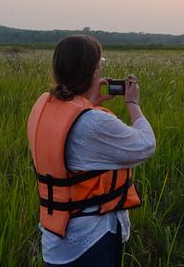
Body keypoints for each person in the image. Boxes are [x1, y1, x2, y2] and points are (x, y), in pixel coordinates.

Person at [27, 35, 156, 267]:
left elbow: (75, 142)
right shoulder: (92, 122)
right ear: (94, 71)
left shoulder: (46, 105)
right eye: (100, 64)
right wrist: (133, 104)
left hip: (56, 240)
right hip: (91, 242)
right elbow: (145, 146)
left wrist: (90, 102)